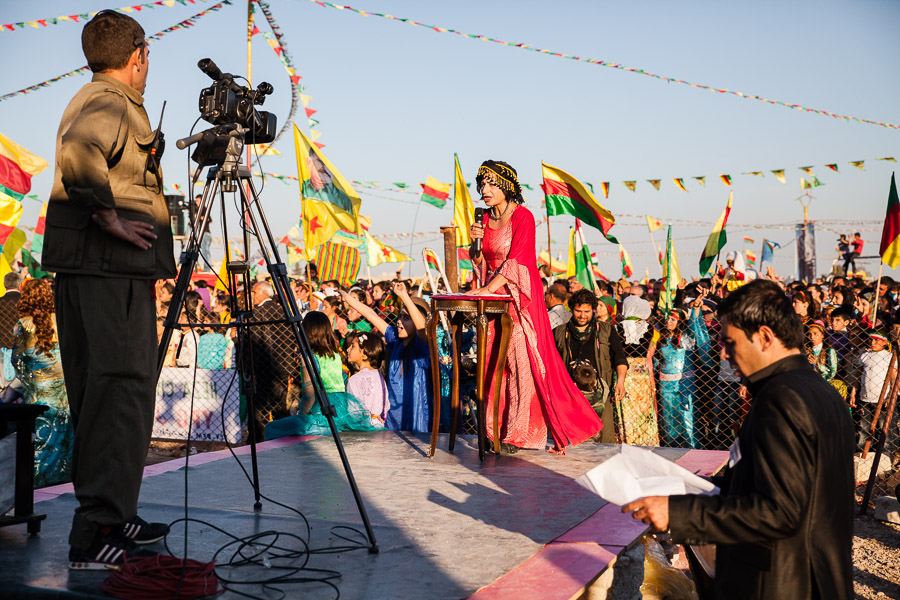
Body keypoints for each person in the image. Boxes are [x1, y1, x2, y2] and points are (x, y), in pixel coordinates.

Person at [42, 11, 175, 569]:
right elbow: (79, 153)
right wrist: (109, 218)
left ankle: (114, 512)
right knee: (119, 393)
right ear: (138, 54)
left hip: (100, 273)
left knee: (113, 394)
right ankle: (96, 529)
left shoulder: (93, 98)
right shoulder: (109, 102)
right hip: (107, 273)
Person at [624, 279, 854, 600]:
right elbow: (776, 482)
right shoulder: (818, 391)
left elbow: (780, 512)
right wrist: (695, 487)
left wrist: (678, 514)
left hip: (779, 583)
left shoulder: (782, 399)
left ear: (764, 337)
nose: (726, 355)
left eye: (731, 343)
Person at [469, 160, 601, 454]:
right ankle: (493, 429)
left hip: (519, 303)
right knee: (494, 367)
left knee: (520, 367)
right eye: (482, 184)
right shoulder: (485, 219)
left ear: (506, 185)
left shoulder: (523, 217)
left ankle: (517, 434)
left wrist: (489, 287)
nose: (485, 190)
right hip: (491, 303)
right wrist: (474, 245)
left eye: (491, 183)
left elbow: (517, 260)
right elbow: (481, 263)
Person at [264, 312, 378, 439]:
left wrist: (302, 413)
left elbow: (309, 394)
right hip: (340, 414)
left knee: (272, 428)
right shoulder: (335, 355)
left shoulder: (309, 357)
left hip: (321, 416)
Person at [340, 282, 432, 432]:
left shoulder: (421, 347)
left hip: (415, 417)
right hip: (393, 418)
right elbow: (371, 315)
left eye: (407, 318)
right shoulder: (395, 340)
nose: (400, 322)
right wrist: (347, 298)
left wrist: (404, 296)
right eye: (400, 316)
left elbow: (422, 328)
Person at [11, 279, 73, 487]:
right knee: (62, 432)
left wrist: (28, 382)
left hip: (39, 389)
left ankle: (37, 477)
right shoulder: (62, 320)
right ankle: (62, 476)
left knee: (41, 434)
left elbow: (17, 361)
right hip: (63, 387)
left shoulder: (22, 326)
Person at [553, 289, 627, 443]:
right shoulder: (560, 333)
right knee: (572, 440)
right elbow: (551, 363)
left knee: (604, 440)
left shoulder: (606, 330)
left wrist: (620, 381)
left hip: (600, 393)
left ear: (593, 310)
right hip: (570, 394)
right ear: (571, 310)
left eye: (586, 311)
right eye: (578, 311)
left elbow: (620, 358)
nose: (582, 315)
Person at [654, 293, 711, 448]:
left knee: (687, 419)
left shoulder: (686, 338)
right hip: (665, 386)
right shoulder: (661, 339)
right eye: (668, 318)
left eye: (673, 319)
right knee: (669, 420)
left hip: (684, 384)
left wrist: (696, 308)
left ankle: (692, 449)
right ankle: (672, 449)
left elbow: (694, 325)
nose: (668, 321)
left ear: (680, 322)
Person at [248, 281, 301, 440]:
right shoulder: (283, 311)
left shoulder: (257, 313)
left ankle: (260, 440)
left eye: (255, 293)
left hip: (264, 368)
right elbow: (291, 341)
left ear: (264, 293)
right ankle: (283, 437)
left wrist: (253, 369)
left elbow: (255, 343)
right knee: (280, 406)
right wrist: (291, 368)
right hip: (283, 368)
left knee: (261, 409)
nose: (253, 296)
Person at [617, 295, 659, 446]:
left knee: (626, 411)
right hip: (642, 375)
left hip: (624, 372)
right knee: (643, 411)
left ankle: (627, 440)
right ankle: (645, 440)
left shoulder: (617, 328)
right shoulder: (651, 330)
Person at [345, 332, 389, 428]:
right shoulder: (379, 376)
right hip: (380, 427)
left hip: (362, 431)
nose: (348, 349)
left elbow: (353, 412)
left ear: (364, 354)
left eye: (353, 346)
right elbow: (386, 406)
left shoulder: (355, 380)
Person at [0, 271, 24, 391]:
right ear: (20, 285)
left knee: (3, 384)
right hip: (22, 345)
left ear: (4, 285)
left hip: (2, 345)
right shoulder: (25, 302)